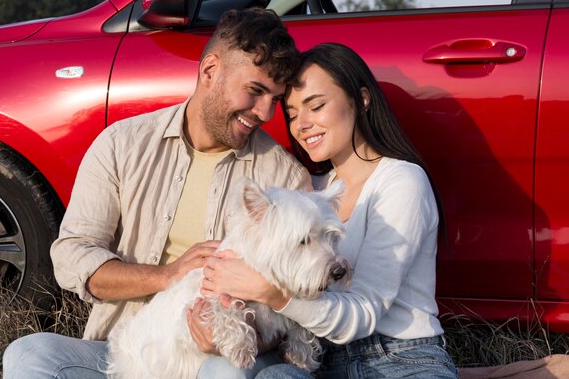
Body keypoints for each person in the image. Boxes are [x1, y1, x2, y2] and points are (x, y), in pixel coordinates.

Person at [2, 7, 312, 379]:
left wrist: (244, 339)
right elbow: (72, 256)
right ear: (210, 71)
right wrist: (167, 275)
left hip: (219, 356)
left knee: (224, 372)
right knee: (29, 354)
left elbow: (300, 300)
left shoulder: (283, 179)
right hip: (124, 355)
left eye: (275, 99)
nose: (264, 112)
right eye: (255, 91)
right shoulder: (122, 144)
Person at [195, 43, 459, 379]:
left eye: (316, 106)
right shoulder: (310, 194)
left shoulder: (401, 181)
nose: (302, 124)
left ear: (361, 99)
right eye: (291, 114)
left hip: (401, 359)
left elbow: (363, 313)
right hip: (323, 360)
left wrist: (272, 293)